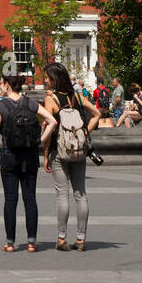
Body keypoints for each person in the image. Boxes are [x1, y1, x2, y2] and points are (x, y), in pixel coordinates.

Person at [0, 75, 56, 252]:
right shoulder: (31, 103)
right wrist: (39, 141)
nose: (0, 86)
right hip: (30, 157)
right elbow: (52, 121)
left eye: (1, 83)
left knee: (10, 200)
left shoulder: (0, 106)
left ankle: (10, 243)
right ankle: (32, 242)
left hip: (9, 157)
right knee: (30, 199)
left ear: (7, 85)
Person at [43, 60, 100, 251]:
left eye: (47, 77)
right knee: (81, 194)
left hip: (59, 151)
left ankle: (61, 239)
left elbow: (49, 128)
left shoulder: (52, 100)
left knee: (62, 195)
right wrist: (85, 132)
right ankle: (81, 240)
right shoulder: (77, 95)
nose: (45, 80)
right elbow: (97, 114)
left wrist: (45, 154)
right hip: (79, 150)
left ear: (54, 79)